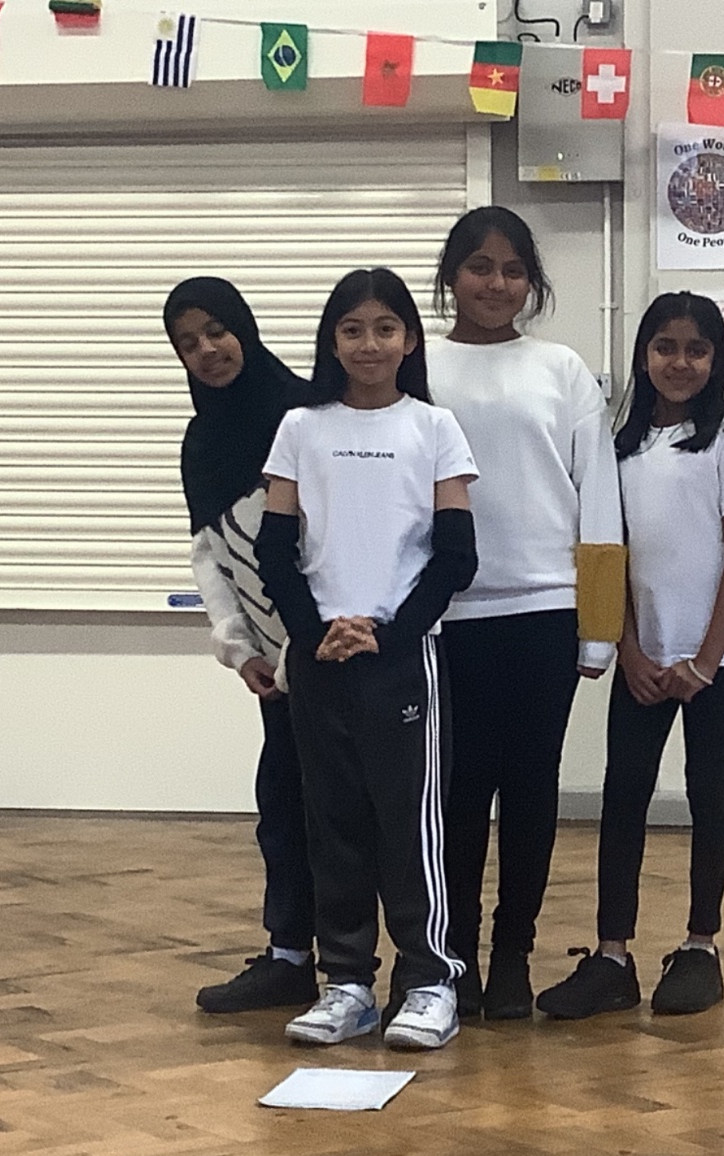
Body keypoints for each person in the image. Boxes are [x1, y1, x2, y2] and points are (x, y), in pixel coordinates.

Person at [255, 268, 479, 1050]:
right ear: (332, 341)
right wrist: (313, 630)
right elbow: (275, 548)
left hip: (401, 656)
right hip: (319, 655)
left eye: (385, 328)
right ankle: (347, 984)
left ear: (409, 339)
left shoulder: (435, 427)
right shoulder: (300, 427)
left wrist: (390, 632)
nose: (369, 344)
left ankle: (430, 981)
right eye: (352, 329)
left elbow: (456, 555)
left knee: (407, 825)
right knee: (332, 823)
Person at [536, 291, 724, 1020]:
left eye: (697, 349)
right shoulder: (621, 448)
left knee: (707, 792)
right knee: (624, 795)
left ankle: (700, 944)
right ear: (643, 355)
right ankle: (612, 955)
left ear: (716, 360)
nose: (680, 362)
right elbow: (614, 555)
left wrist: (704, 661)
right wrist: (628, 648)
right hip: (643, 659)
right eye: (666, 347)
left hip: (715, 664)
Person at [423, 206, 624, 1021]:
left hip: (545, 610)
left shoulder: (561, 369)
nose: (496, 284)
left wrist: (600, 628)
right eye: (480, 267)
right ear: (451, 277)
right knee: (459, 793)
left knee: (531, 789)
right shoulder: (419, 367)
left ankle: (513, 955)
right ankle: (456, 955)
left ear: (531, 284)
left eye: (513, 270)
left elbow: (598, 495)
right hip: (448, 615)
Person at [164, 277, 319, 1016]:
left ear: (244, 330)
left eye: (217, 331)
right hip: (274, 666)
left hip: (336, 649)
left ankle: (380, 964)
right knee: (282, 806)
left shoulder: (304, 417)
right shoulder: (200, 444)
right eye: (188, 343)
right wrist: (238, 648)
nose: (207, 350)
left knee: (355, 812)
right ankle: (290, 957)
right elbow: (210, 555)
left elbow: (332, 539)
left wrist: (306, 642)